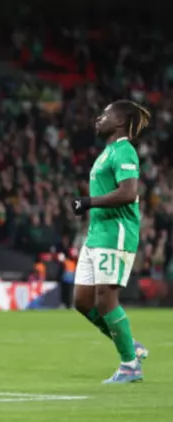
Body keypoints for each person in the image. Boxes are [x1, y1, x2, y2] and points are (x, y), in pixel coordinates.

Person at [70, 100, 150, 384]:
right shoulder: (108, 152)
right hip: (96, 234)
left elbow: (128, 192)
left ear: (119, 121)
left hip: (116, 233)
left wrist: (88, 202)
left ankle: (130, 365)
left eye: (105, 114)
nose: (99, 118)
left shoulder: (125, 150)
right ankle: (130, 344)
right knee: (82, 301)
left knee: (105, 300)